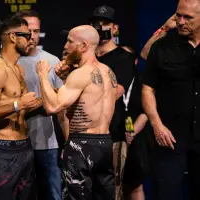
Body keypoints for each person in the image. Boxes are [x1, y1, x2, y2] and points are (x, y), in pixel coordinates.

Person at [36, 25, 117, 200]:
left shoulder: (80, 74)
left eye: (70, 42)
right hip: (105, 144)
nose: (65, 46)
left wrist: (42, 75)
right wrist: (65, 78)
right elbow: (87, 100)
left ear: (83, 46)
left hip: (82, 144)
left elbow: (53, 107)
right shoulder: (108, 72)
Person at [142, 0, 200, 199]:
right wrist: (156, 124)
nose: (181, 21)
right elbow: (147, 87)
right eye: (178, 16)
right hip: (169, 137)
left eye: (188, 17)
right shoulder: (163, 46)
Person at [0, 16, 38, 200]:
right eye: (27, 35)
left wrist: (58, 93)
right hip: (3, 152)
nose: (32, 39)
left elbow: (25, 107)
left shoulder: (18, 69)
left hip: (24, 148)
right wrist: (18, 105)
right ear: (12, 37)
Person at [15, 10, 65, 200]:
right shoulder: (8, 63)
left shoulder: (52, 61)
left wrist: (67, 143)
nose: (32, 36)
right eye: (28, 31)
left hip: (48, 143)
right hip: (16, 143)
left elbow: (62, 106)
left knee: (53, 195)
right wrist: (42, 102)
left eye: (36, 31)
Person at [89, 5, 136, 199]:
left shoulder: (124, 58)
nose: (100, 28)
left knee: (112, 190)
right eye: (96, 24)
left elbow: (116, 92)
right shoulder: (86, 58)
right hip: (84, 133)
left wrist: (86, 93)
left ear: (115, 28)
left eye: (105, 24)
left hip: (112, 135)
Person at [120, 46, 149, 200]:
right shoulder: (109, 80)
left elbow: (146, 111)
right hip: (114, 137)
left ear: (136, 61)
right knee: (114, 186)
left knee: (136, 186)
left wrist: (131, 133)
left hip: (136, 140)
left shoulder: (143, 81)